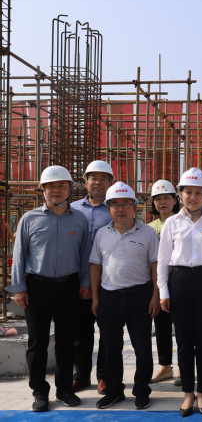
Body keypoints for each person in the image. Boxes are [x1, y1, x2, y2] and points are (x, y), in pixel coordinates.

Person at [7, 165, 90, 412]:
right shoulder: (29, 219)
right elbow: (19, 255)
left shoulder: (79, 219)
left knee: (66, 342)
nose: (56, 190)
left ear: (70, 189)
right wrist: (19, 289)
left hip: (69, 287)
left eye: (61, 185)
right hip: (38, 288)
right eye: (51, 186)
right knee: (37, 343)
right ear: (42, 189)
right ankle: (39, 391)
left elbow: (85, 255)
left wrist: (85, 284)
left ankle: (64, 389)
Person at [157, 168, 202, 417]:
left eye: (198, 192)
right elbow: (163, 260)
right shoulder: (172, 223)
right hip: (180, 281)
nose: (193, 197)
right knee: (184, 342)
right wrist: (163, 291)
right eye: (188, 192)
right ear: (180, 194)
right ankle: (188, 394)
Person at [90, 182, 160, 410]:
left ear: (134, 206)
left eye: (126, 204)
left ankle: (141, 390)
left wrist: (155, 295)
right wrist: (96, 298)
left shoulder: (148, 233)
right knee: (111, 347)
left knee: (142, 346)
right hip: (109, 296)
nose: (120, 209)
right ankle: (114, 390)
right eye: (115, 204)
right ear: (108, 208)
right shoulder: (102, 234)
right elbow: (96, 266)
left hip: (140, 295)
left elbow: (155, 266)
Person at [71, 160, 113, 395]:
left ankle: (104, 376)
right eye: (93, 178)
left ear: (110, 182)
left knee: (107, 330)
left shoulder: (116, 208)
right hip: (77, 280)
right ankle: (82, 375)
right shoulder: (73, 209)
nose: (98, 182)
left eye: (103, 178)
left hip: (107, 281)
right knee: (81, 331)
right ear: (85, 182)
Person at [147, 180, 181, 385]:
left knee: (183, 327)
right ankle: (166, 366)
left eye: (167, 198)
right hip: (158, 284)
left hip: (180, 282)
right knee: (161, 327)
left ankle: (184, 367)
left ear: (175, 200)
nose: (162, 202)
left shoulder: (183, 222)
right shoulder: (149, 229)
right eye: (158, 199)